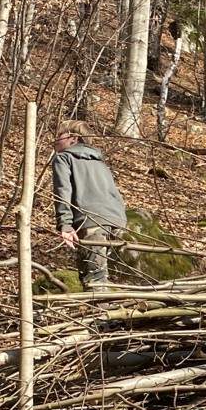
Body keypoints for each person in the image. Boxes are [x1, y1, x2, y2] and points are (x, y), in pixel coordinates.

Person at [51, 123, 128, 288]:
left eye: (60, 135)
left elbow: (62, 191)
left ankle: (100, 311)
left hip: (91, 222)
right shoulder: (100, 162)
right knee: (103, 276)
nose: (55, 139)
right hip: (117, 221)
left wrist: (65, 225)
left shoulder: (64, 158)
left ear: (73, 139)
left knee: (94, 281)